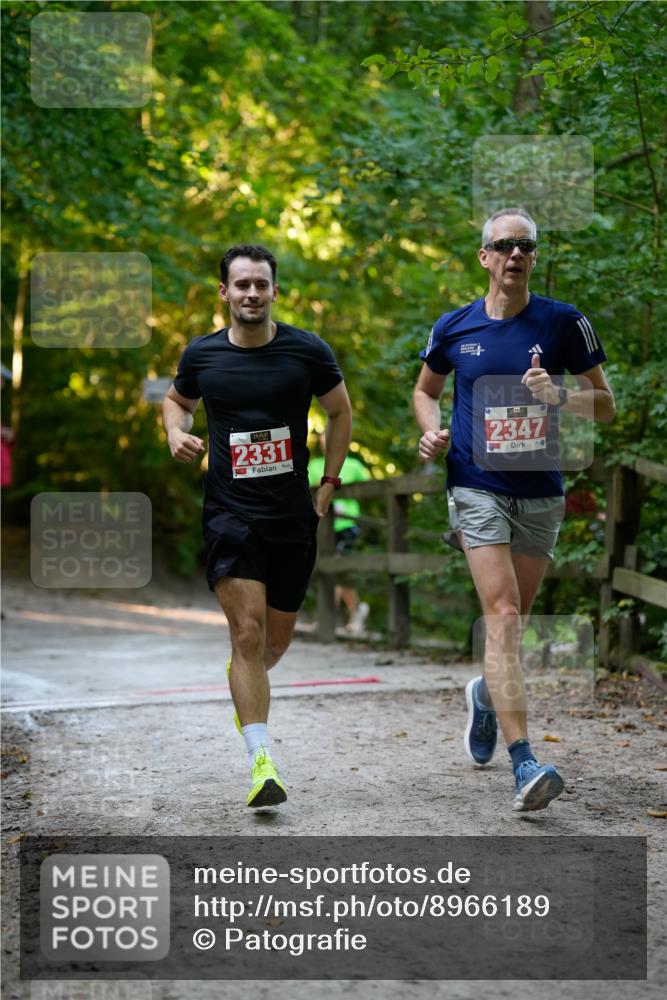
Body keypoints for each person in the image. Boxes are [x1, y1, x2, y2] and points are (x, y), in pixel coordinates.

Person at [413, 208, 615, 812]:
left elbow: (605, 405)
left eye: (525, 245)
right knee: (500, 613)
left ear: (534, 256)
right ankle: (524, 759)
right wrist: (432, 431)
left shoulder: (563, 323)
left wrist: (559, 394)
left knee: (513, 623)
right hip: (475, 484)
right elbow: (425, 390)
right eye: (504, 245)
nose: (516, 255)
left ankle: (483, 694)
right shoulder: (455, 327)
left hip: (540, 492)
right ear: (485, 257)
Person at [163, 245, 352, 808]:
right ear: (224, 292)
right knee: (246, 633)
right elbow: (177, 402)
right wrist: (176, 433)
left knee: (273, 642)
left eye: (260, 285)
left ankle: (245, 674)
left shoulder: (307, 350)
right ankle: (261, 761)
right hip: (229, 511)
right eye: (241, 284)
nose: (251, 293)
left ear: (274, 291)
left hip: (291, 513)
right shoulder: (203, 355)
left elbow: (340, 412)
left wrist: (330, 481)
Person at [308, 437, 371, 634]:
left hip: (347, 524)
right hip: (322, 525)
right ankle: (355, 610)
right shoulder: (315, 465)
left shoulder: (355, 466)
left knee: (336, 565)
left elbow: (374, 489)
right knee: (331, 569)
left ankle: (327, 617)